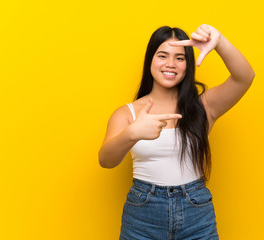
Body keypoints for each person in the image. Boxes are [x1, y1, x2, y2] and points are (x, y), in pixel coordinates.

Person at [98, 24, 255, 240]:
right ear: (150, 60)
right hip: (143, 215)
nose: (170, 64)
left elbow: (244, 78)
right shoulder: (127, 113)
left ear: (188, 65)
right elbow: (106, 160)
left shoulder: (204, 106)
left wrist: (219, 42)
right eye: (163, 55)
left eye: (180, 58)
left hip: (196, 212)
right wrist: (132, 133)